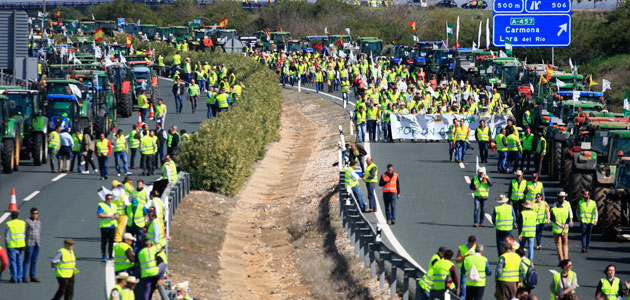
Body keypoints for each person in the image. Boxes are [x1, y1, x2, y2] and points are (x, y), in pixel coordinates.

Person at [551, 191, 573, 263]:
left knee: (558, 246)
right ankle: (566, 260)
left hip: (556, 229)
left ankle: (561, 261)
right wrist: (564, 228)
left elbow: (554, 219)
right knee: (565, 245)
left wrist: (561, 226)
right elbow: (568, 218)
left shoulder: (554, 208)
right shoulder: (565, 208)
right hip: (565, 230)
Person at [5, 211, 25, 283]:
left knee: (13, 262)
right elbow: (24, 234)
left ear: (11, 216)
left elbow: (7, 237)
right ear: (18, 216)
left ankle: (14, 278)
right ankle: (19, 278)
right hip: (20, 245)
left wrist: (7, 245)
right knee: (19, 262)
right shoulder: (22, 223)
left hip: (11, 245)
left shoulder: (9, 224)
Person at [97, 194, 119, 262]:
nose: (110, 200)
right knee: (104, 241)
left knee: (111, 241)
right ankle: (103, 255)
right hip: (104, 226)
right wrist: (109, 216)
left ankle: (110, 255)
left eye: (111, 199)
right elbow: (99, 215)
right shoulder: (101, 205)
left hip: (112, 225)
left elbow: (117, 215)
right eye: (108, 199)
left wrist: (115, 216)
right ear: (105, 199)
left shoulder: (114, 206)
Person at [456, 235, 477, 299]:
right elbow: (457, 260)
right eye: (471, 244)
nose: (473, 245)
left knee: (473, 291)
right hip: (464, 271)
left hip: (474, 272)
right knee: (463, 289)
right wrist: (466, 256)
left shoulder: (476, 248)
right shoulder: (462, 248)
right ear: (468, 242)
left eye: (474, 244)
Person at [23, 207, 41, 283]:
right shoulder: (27, 221)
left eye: (36, 213)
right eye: (33, 213)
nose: (35, 215)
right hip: (29, 243)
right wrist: (24, 244)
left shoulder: (39, 222)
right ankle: (24, 276)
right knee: (27, 260)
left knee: (34, 261)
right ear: (31, 214)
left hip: (37, 244)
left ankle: (32, 276)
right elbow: (23, 233)